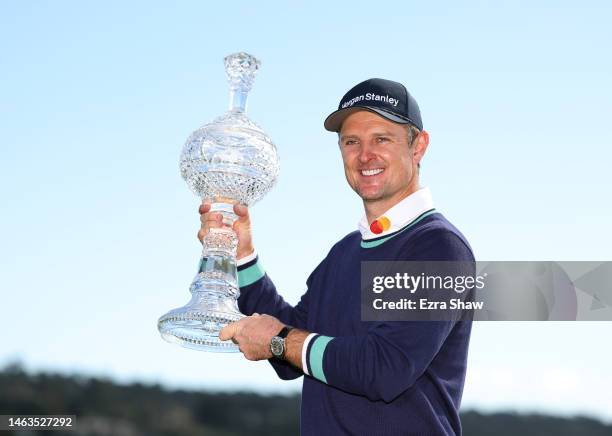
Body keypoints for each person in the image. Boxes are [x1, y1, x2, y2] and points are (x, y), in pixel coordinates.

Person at [198, 78, 474, 435]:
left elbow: (385, 369)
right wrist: (242, 255)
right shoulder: (345, 251)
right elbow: (289, 354)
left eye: (382, 139)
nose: (365, 155)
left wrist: (280, 339)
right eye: (351, 142)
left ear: (418, 146)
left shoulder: (439, 247)